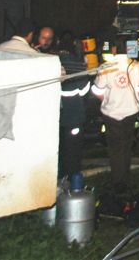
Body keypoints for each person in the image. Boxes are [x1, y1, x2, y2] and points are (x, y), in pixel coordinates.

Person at [92, 42, 139, 190]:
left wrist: (109, 100)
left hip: (111, 113)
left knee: (115, 147)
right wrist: (131, 98)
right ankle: (125, 179)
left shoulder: (106, 67)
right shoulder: (137, 66)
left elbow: (98, 90)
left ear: (115, 49)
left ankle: (118, 182)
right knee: (127, 145)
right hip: (130, 112)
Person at [56, 31, 90, 182]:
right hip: (74, 116)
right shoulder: (77, 63)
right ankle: (72, 181)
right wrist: (86, 69)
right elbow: (83, 90)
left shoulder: (52, 61)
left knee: (59, 150)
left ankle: (58, 179)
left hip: (57, 116)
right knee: (73, 152)